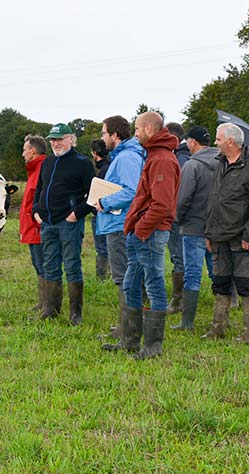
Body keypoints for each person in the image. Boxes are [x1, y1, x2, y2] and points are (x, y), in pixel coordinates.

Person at [103, 111, 179, 359]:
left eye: (137, 129)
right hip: (141, 232)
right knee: (130, 283)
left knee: (154, 284)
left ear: (148, 129)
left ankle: (153, 346)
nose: (134, 134)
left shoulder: (162, 160)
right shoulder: (153, 155)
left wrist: (142, 228)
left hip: (151, 233)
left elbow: (162, 204)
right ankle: (130, 340)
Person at [202, 122, 249, 343]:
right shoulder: (220, 163)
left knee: (245, 284)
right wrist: (209, 233)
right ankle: (218, 328)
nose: (215, 143)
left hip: (242, 237)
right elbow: (213, 200)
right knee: (220, 282)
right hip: (219, 236)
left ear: (231, 141)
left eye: (218, 139)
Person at [33, 123, 96, 325]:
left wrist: (76, 214)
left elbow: (93, 195)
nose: (55, 143)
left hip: (69, 223)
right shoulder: (48, 162)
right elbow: (39, 188)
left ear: (71, 139)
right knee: (49, 265)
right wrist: (36, 210)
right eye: (52, 140)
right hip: (47, 222)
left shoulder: (82, 163)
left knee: (72, 266)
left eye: (59, 139)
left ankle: (75, 314)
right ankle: (51, 309)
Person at [92, 115, 146, 341]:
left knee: (124, 277)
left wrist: (104, 201)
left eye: (104, 133)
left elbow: (131, 191)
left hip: (120, 223)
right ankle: (125, 325)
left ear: (115, 135)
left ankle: (129, 329)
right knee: (124, 277)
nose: (103, 138)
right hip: (117, 222)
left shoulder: (126, 158)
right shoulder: (123, 155)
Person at [170, 125, 218, 331]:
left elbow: (183, 198)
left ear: (192, 142)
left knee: (192, 274)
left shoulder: (192, 166)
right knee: (217, 271)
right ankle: (220, 317)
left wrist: (177, 218)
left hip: (194, 227)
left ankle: (187, 322)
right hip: (217, 228)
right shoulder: (224, 162)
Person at [164, 122, 190, 316]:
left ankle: (178, 300)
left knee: (179, 257)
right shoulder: (185, 155)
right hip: (188, 216)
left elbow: (179, 190)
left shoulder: (179, 157)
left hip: (178, 217)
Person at [20, 134, 48, 314]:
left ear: (33, 151)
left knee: (43, 264)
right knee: (38, 264)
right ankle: (43, 301)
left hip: (38, 226)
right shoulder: (34, 170)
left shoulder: (42, 170)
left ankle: (48, 304)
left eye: (24, 150)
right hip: (32, 226)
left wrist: (37, 221)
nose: (23, 154)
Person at [89, 138, 111, 279]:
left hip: (101, 213)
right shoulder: (113, 165)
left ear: (95, 153)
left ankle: (102, 277)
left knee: (102, 248)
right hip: (113, 212)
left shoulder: (103, 170)